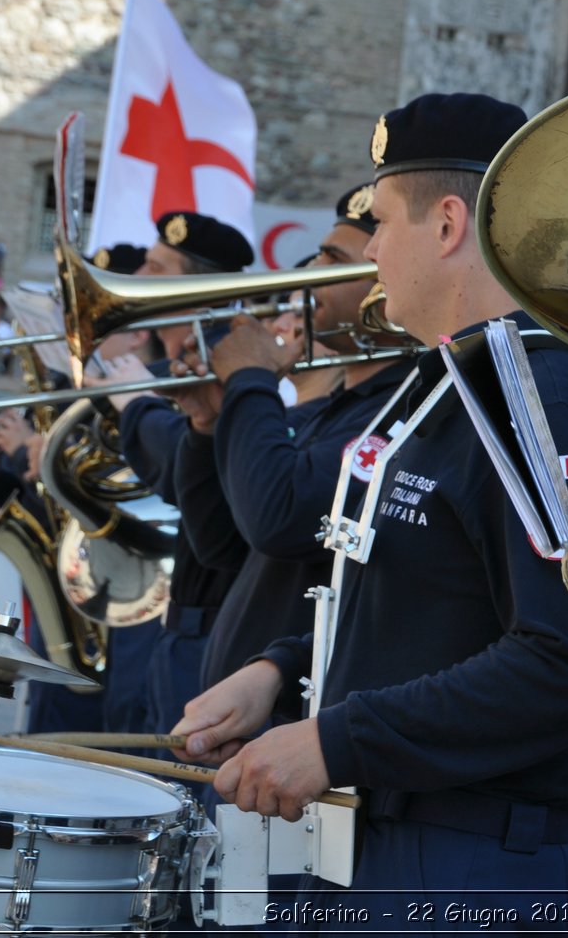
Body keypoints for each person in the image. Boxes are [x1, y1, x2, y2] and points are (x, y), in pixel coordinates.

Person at [172, 94, 568, 927]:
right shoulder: (449, 379)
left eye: (384, 222)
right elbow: (424, 596)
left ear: (448, 224)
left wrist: (334, 740)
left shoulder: (543, 391)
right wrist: (281, 668)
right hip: (384, 843)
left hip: (462, 866)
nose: (374, 251)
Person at [169, 185, 417, 693]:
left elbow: (277, 517)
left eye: (331, 259)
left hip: (300, 718)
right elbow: (220, 542)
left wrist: (249, 381)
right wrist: (207, 425)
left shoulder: (401, 411)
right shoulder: (328, 409)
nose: (306, 274)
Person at [93, 212, 253, 754]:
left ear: (193, 288)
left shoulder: (228, 371)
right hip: (169, 613)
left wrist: (134, 405)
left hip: (207, 622)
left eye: (156, 268)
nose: (137, 276)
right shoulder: (160, 368)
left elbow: (181, 470)